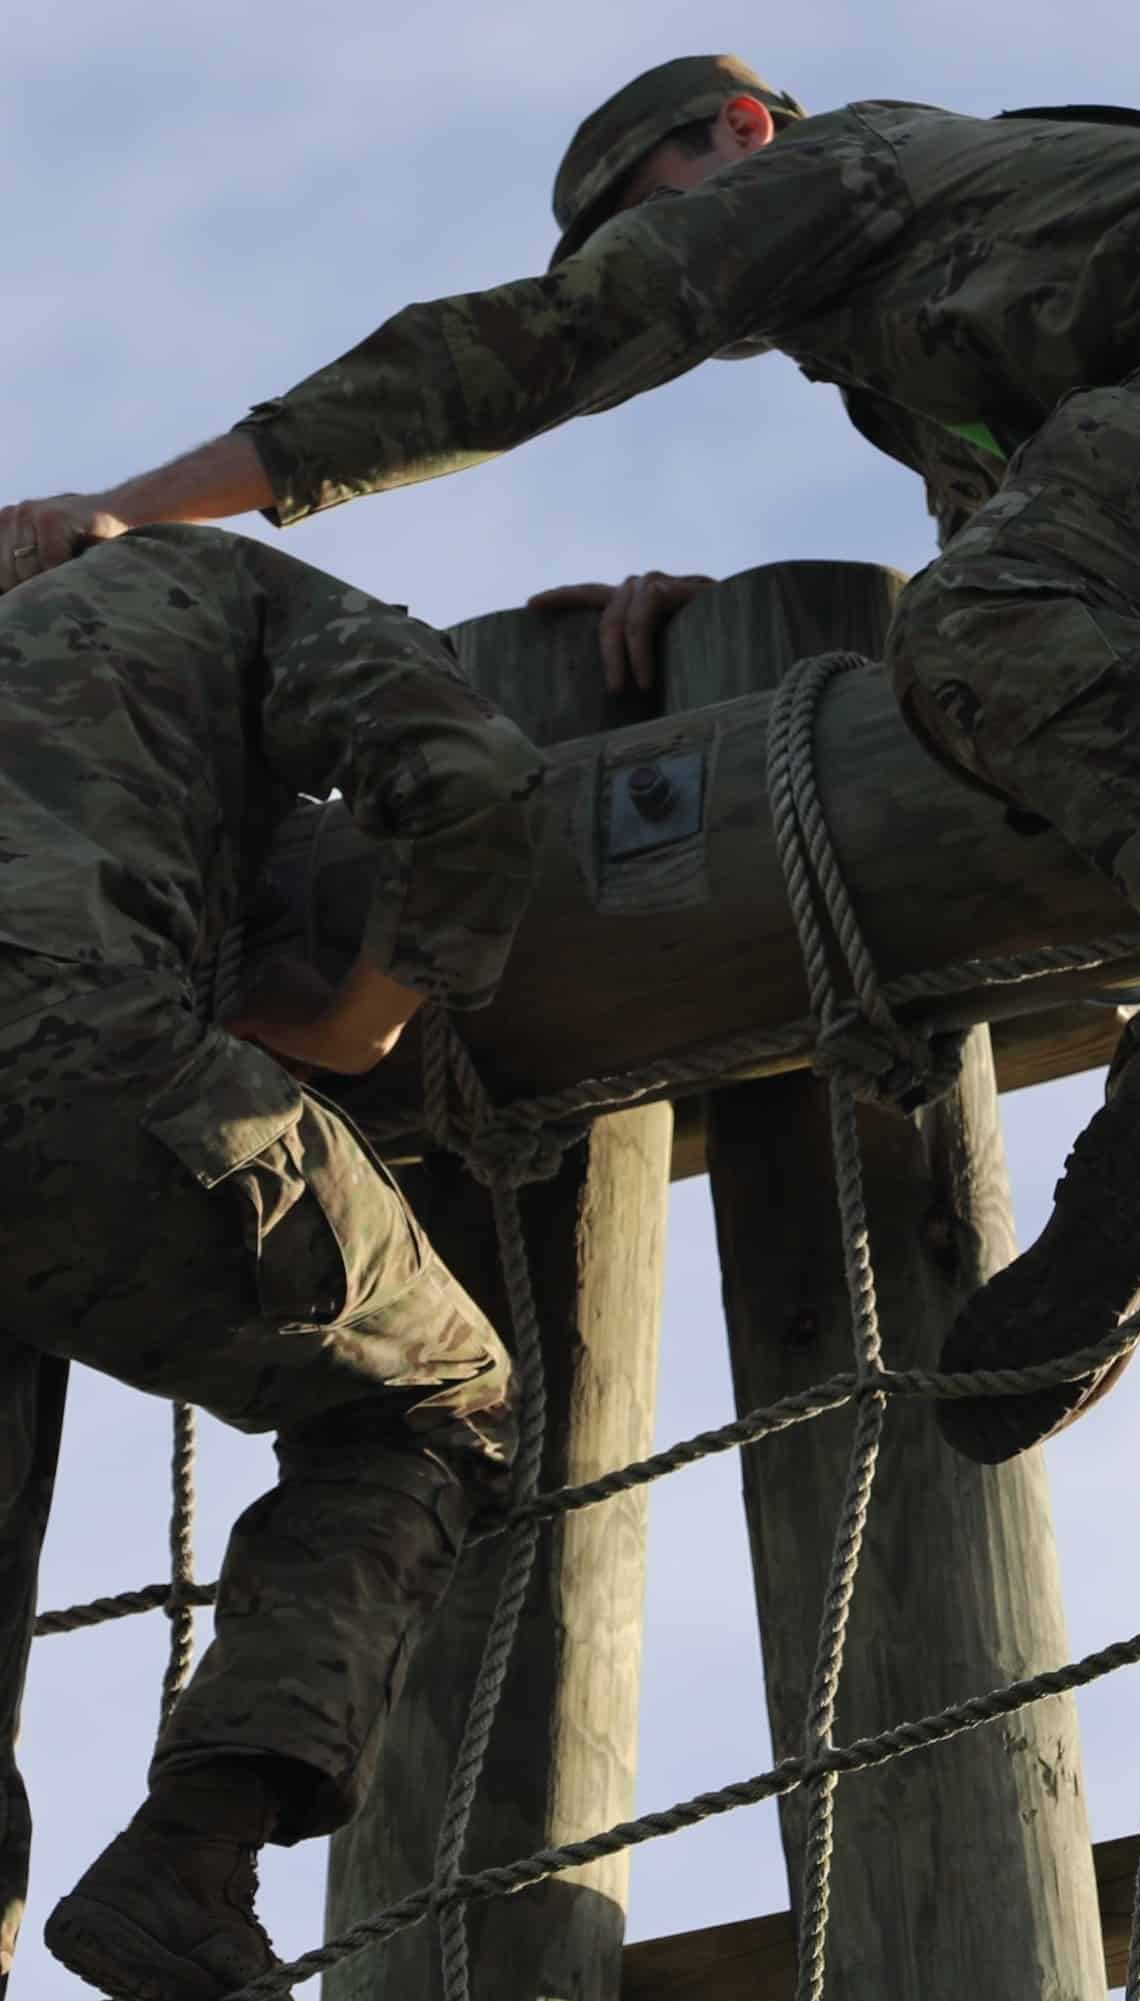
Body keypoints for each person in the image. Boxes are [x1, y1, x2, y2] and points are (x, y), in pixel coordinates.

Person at [3, 56, 1140, 1464]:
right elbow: (1062, 640)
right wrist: (729, 643)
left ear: (740, 132)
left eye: (652, 210)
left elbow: (561, 336)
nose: (659, 253)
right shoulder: (950, 363)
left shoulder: (852, 162)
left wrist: (130, 513)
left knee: (990, 630)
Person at [0, 522, 543, 1999]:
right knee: (436, 1398)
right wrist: (362, 1022)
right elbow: (471, 773)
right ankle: (191, 1852)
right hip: (53, 1043)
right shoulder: (198, 580)